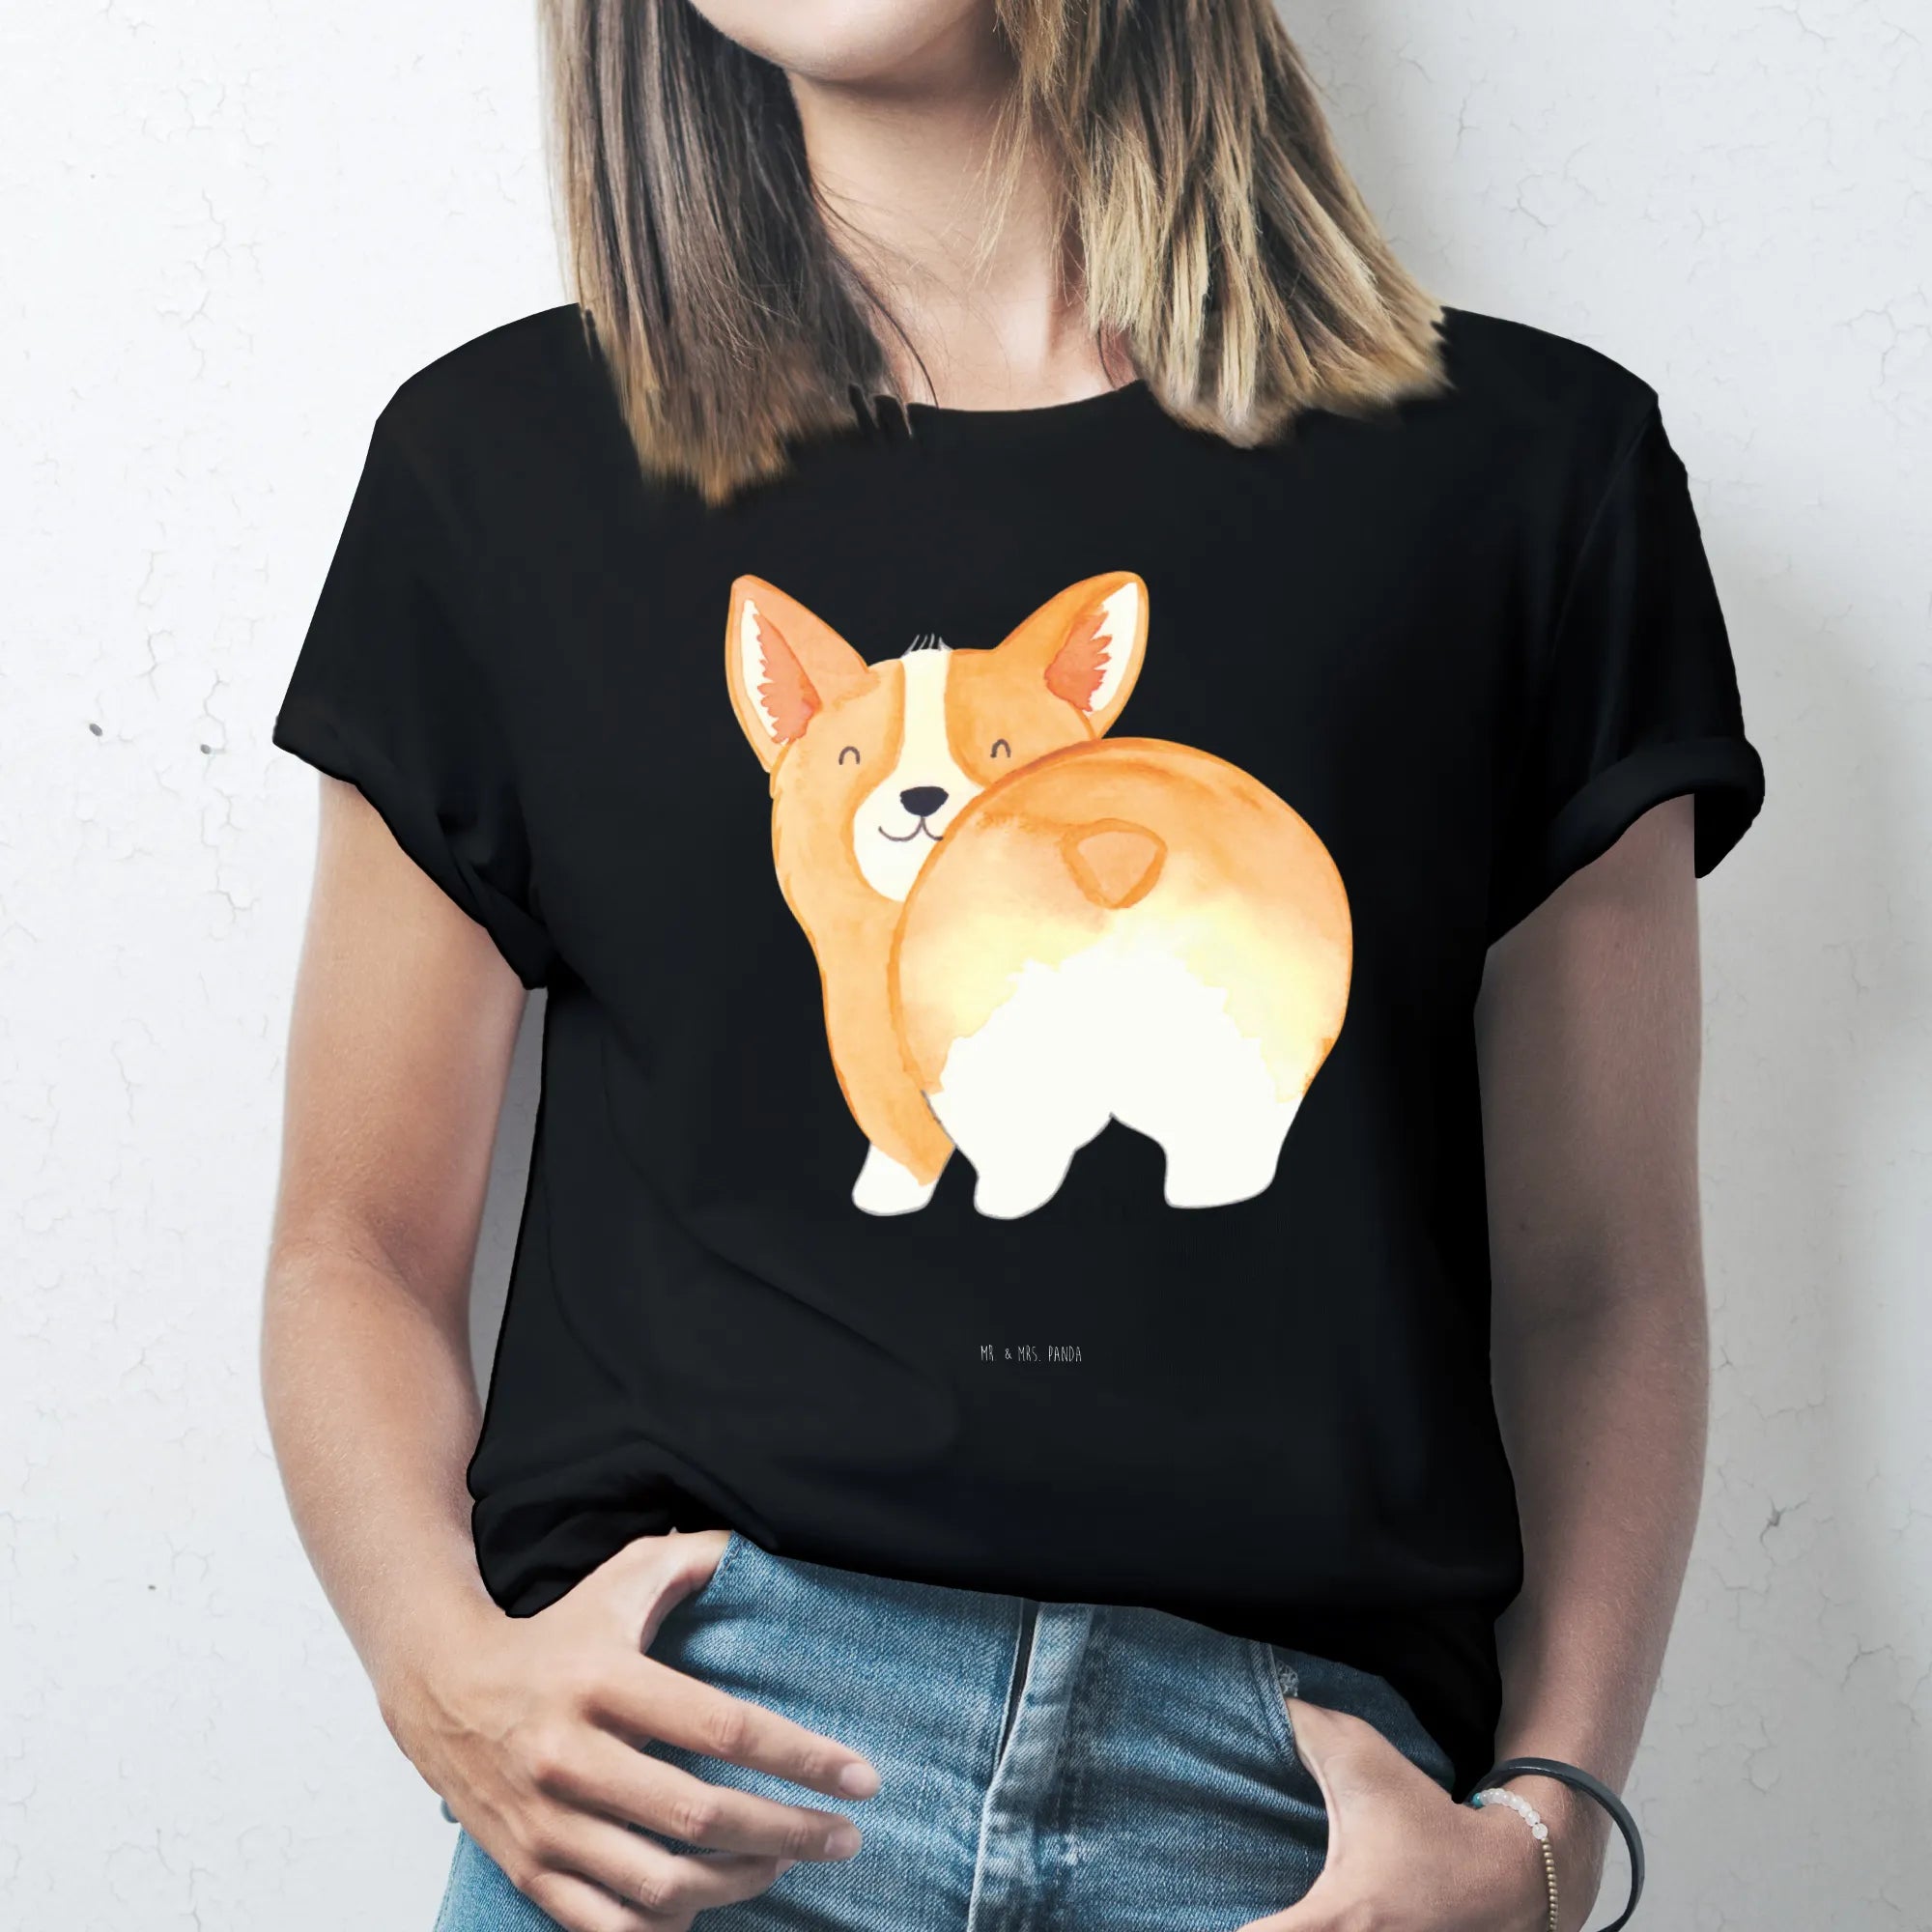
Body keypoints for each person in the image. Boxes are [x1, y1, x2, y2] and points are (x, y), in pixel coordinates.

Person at [262, 3, 1765, 1928]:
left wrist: (1543, 1836)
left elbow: (1603, 1281)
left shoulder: (1535, 477)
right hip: (689, 1776)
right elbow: (356, 1243)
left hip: (1292, 1824)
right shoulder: (499, 471)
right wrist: (443, 1675)